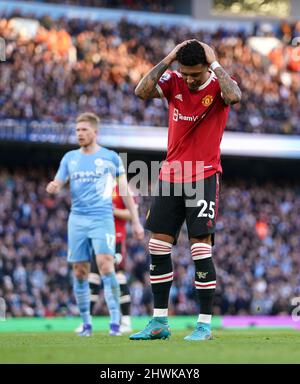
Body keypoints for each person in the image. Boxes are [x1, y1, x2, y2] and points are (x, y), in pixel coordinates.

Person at [129, 40, 241, 341]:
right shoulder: (174, 79)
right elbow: (141, 91)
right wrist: (168, 59)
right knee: (157, 246)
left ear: (207, 68)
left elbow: (235, 96)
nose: (189, 79)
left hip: (203, 176)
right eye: (186, 73)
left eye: (195, 74)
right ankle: (159, 323)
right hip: (170, 175)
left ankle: (204, 324)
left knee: (200, 248)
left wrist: (215, 63)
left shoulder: (219, 85)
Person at [46, 112, 144, 336]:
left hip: (102, 218)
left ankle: (115, 323)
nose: (79, 134)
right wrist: (54, 186)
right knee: (80, 271)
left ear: (95, 132)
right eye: (77, 130)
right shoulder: (69, 158)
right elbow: (59, 180)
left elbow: (125, 191)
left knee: (106, 265)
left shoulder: (110, 157)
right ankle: (86, 323)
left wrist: (137, 222)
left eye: (84, 130)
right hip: (77, 219)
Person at [77, 184, 136, 334]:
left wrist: (112, 210)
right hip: (98, 240)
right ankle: (86, 322)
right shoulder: (97, 188)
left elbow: (131, 212)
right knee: (93, 277)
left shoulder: (122, 188)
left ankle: (126, 320)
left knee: (119, 276)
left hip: (116, 239)